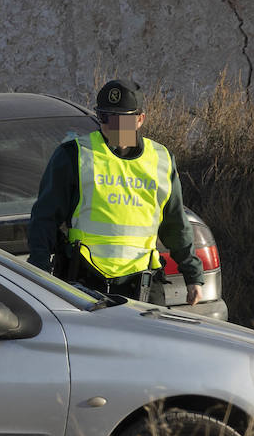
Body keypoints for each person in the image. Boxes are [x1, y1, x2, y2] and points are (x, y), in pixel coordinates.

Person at [27, 78, 202, 304]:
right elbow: (44, 218)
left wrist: (193, 276)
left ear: (140, 119)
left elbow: (175, 224)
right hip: (84, 282)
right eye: (105, 117)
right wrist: (39, 272)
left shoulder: (161, 159)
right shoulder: (74, 155)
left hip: (143, 286)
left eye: (121, 118)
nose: (112, 125)